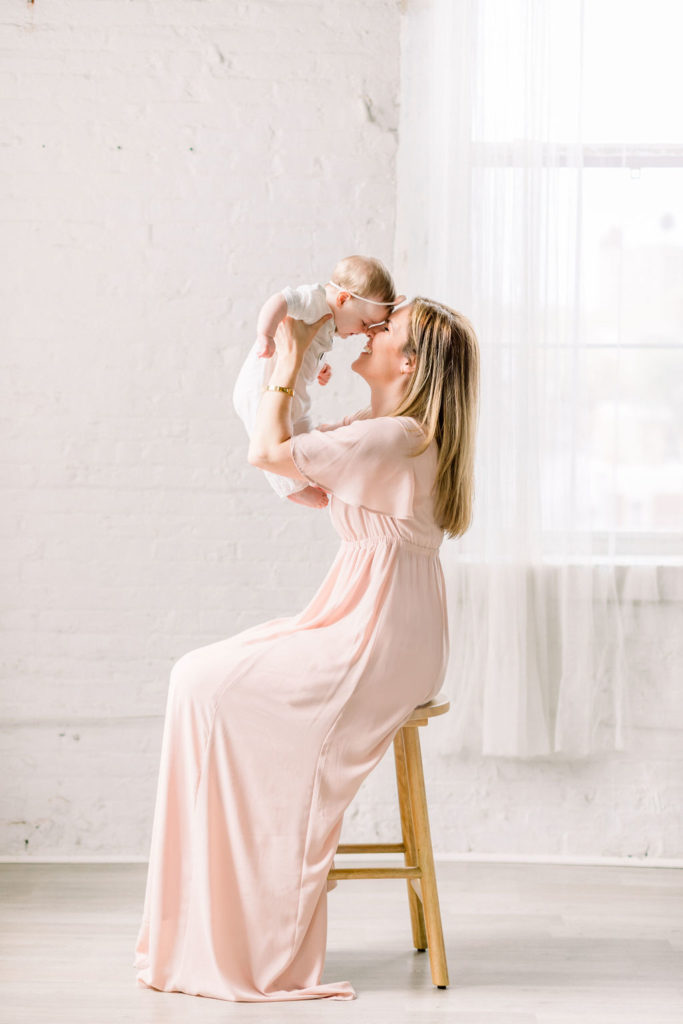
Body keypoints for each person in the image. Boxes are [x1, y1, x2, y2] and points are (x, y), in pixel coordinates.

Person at [133, 297, 480, 1002]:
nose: (372, 329)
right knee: (202, 677)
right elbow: (302, 489)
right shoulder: (393, 434)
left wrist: (289, 365)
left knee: (206, 683)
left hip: (375, 633)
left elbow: (266, 454)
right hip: (385, 623)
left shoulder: (393, 436)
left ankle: (238, 914)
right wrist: (293, 407)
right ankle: (219, 906)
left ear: (407, 363)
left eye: (388, 329)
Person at [232, 254, 404, 508]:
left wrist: (318, 368)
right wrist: (265, 335)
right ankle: (290, 487)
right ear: (343, 299)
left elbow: (306, 348)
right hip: (261, 384)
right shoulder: (314, 300)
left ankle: (300, 475)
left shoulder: (329, 321)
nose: (365, 331)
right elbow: (280, 300)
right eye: (365, 322)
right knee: (274, 439)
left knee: (302, 431)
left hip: (289, 388)